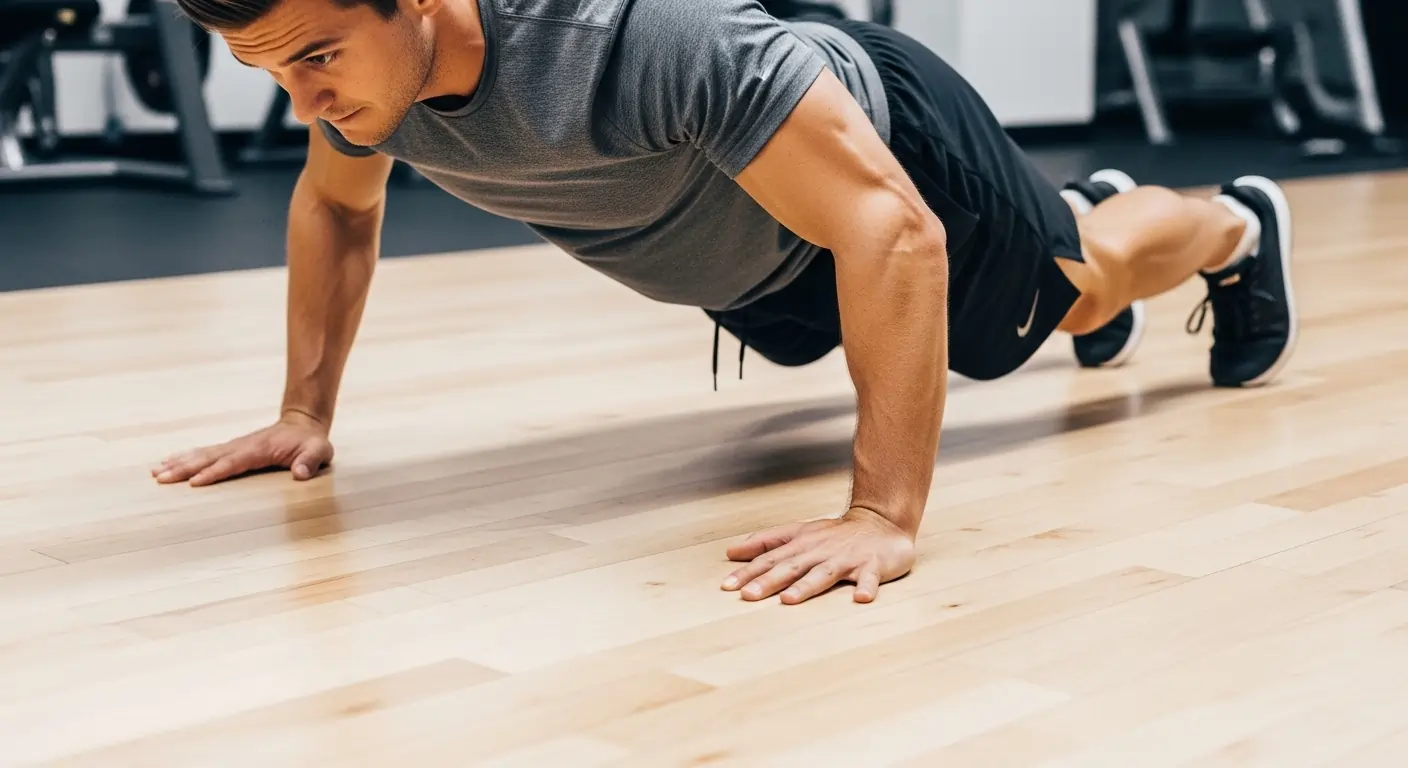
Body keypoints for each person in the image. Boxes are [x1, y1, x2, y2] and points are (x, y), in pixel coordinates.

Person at [151, 0, 1297, 605]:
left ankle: (1233, 227)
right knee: (1020, 296)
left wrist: (881, 515)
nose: (304, 102)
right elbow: (336, 205)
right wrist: (304, 412)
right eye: (271, 73)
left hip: (887, 170)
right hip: (757, 258)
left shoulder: (646, 32)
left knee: (1079, 293)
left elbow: (892, 230)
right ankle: (1068, 220)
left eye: (316, 58)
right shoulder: (365, 88)